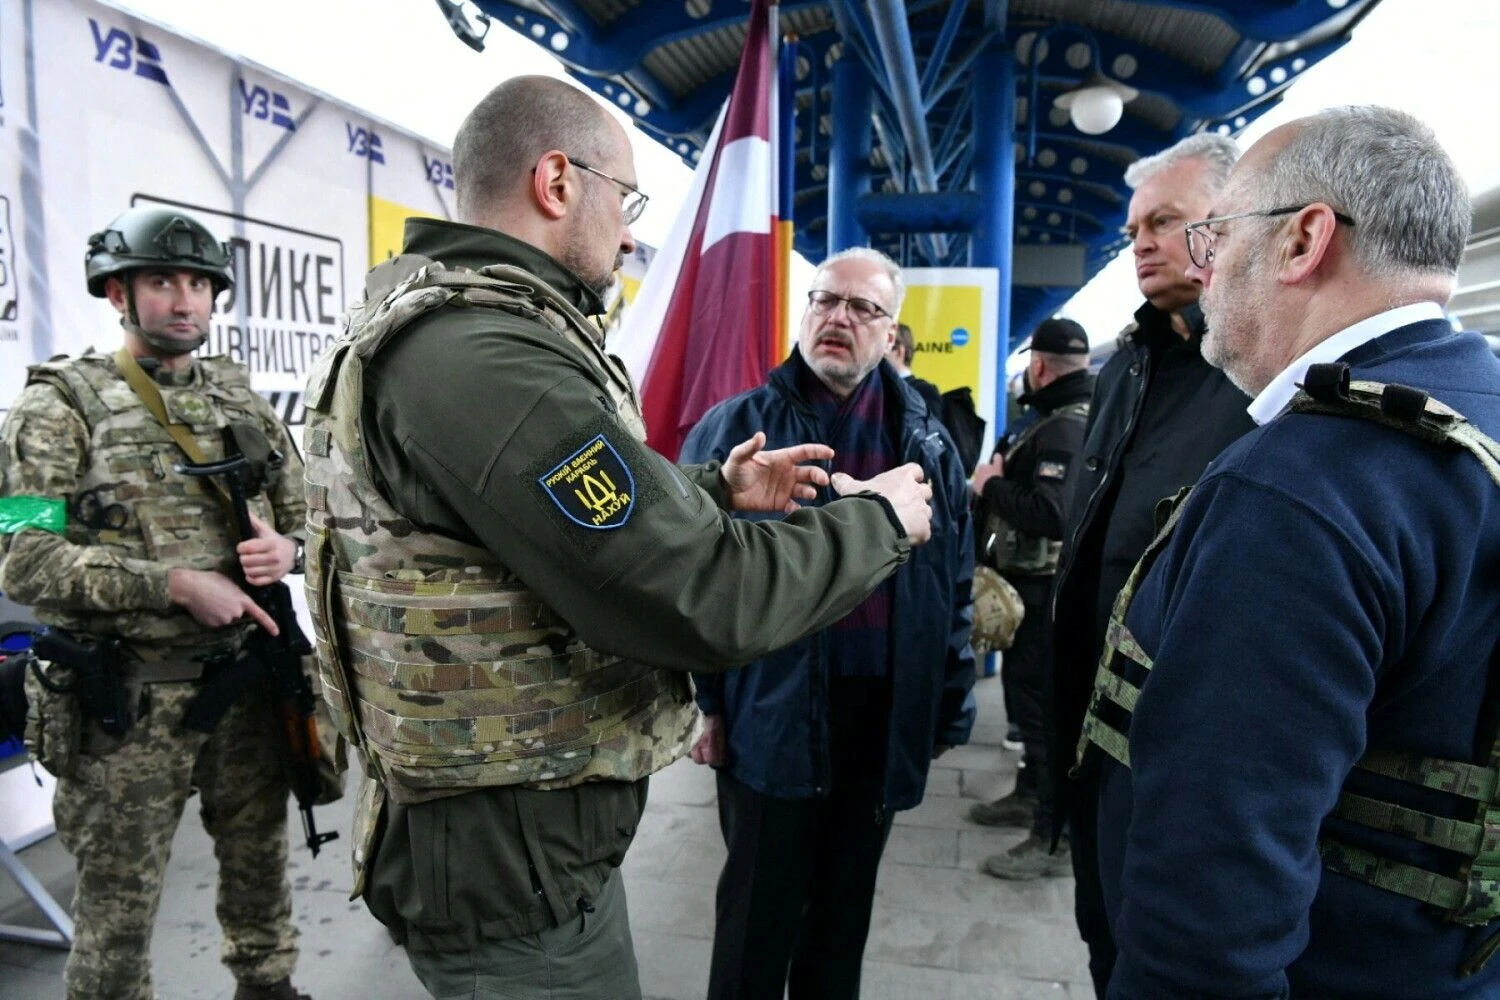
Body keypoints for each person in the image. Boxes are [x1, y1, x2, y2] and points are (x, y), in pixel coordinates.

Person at [301, 76, 935, 1000]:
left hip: (521, 842)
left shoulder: (464, 333)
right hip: (510, 871)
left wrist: (710, 488)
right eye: (626, 199)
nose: (631, 235)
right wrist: (878, 522)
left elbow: (527, 516)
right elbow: (701, 592)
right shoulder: (485, 356)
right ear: (557, 182)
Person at [1081, 105, 1500, 999]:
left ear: (1302, 240)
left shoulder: (1298, 489)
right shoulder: (1481, 417)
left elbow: (1213, 895)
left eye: (1218, 232)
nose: (1205, 266)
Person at [0, 206, 313, 1000]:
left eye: (200, 285)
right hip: (126, 704)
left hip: (244, 683)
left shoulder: (240, 403)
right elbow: (21, 560)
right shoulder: (56, 408)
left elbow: (310, 519)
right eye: (163, 281)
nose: (185, 301)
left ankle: (266, 985)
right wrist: (171, 585)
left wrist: (290, 551)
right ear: (118, 293)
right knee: (117, 908)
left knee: (260, 865)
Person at [681, 247, 975, 1000]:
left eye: (863, 307)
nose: (839, 317)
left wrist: (949, 703)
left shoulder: (926, 439)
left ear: (891, 332)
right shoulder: (736, 430)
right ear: (805, 311)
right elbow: (693, 583)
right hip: (769, 711)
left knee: (841, 926)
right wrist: (704, 705)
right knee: (754, 924)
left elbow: (952, 580)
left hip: (879, 716)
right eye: (825, 300)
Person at [1047, 131, 1256, 996]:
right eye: (1134, 228)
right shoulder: (1127, 364)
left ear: (1233, 220)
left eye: (1165, 221)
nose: (1141, 242)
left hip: (1188, 761)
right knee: (1106, 943)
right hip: (1095, 742)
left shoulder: (1262, 371)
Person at [967, 317, 1094, 880]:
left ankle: (1051, 836)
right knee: (1027, 701)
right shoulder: (1057, 417)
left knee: (1042, 709)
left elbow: (1051, 514)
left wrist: (990, 485)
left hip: (1041, 592)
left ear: (1039, 367)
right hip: (1031, 589)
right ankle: (1030, 793)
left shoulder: (1062, 428)